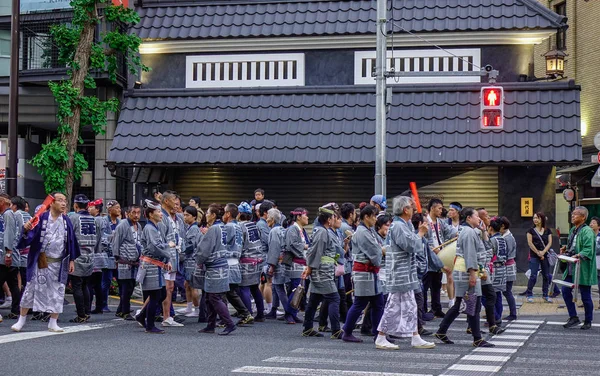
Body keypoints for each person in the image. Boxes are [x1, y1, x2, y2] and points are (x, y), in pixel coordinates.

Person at [10, 192, 79, 333]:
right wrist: (26, 228)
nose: (64, 203)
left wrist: (71, 260)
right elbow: (27, 237)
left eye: (65, 201)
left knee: (58, 292)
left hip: (59, 263)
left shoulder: (66, 221)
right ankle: (21, 320)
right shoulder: (41, 218)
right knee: (30, 289)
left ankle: (53, 322)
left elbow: (72, 242)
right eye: (60, 200)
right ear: (51, 202)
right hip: (40, 262)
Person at [375, 196, 435, 350]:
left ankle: (415, 336)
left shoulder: (404, 224)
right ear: (405, 209)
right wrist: (420, 233)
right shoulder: (398, 226)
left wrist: (421, 233)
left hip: (405, 273)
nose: (414, 208)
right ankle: (381, 336)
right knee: (394, 306)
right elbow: (410, 245)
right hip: (399, 273)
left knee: (410, 305)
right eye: (411, 205)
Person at [435, 207, 494, 348]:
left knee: (465, 304)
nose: (479, 218)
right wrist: (472, 273)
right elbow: (470, 254)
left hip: (467, 270)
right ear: (468, 218)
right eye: (476, 216)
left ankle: (442, 331)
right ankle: (477, 338)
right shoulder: (468, 232)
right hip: (466, 271)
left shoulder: (469, 231)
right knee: (472, 303)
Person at [342, 205, 384, 343]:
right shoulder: (362, 232)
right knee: (360, 303)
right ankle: (347, 331)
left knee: (377, 303)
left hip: (369, 273)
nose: (375, 219)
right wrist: (382, 252)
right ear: (366, 217)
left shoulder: (367, 230)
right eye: (374, 216)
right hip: (364, 273)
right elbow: (375, 251)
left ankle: (378, 333)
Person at [301, 205, 342, 339]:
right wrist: (310, 268)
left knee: (314, 299)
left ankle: (307, 328)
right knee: (334, 298)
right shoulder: (322, 232)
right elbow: (315, 252)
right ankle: (336, 330)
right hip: (322, 270)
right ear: (328, 220)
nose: (334, 219)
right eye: (333, 217)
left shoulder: (322, 231)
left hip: (321, 269)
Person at [196, 204, 236, 335]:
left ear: (213, 215)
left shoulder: (213, 229)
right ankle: (210, 324)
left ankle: (229, 323)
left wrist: (198, 261)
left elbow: (204, 249)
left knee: (214, 297)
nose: (206, 215)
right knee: (210, 297)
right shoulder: (223, 227)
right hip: (222, 264)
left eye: (208, 213)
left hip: (214, 266)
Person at [136, 200, 172, 334]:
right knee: (156, 294)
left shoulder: (154, 227)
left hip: (155, 264)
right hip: (151, 265)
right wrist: (168, 252)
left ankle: (142, 316)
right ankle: (149, 325)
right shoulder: (150, 228)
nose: (161, 214)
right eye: (158, 211)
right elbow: (154, 247)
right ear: (151, 214)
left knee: (160, 293)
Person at [561, 206, 597, 330]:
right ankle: (573, 317)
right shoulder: (573, 230)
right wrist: (565, 249)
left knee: (585, 295)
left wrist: (579, 254)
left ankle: (588, 320)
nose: (573, 216)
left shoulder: (587, 231)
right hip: (571, 266)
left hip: (582, 268)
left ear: (583, 217)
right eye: (572, 214)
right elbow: (571, 245)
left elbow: (588, 249)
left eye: (576, 214)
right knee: (565, 291)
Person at [424, 198, 457, 318]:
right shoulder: (425, 221)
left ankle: (436, 308)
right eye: (439, 208)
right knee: (425, 284)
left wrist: (458, 233)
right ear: (432, 208)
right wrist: (432, 248)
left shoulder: (441, 222)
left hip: (439, 256)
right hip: (428, 256)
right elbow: (422, 239)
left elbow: (449, 232)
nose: (441, 210)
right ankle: (423, 309)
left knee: (436, 284)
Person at [68, 194, 98, 323]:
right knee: (86, 285)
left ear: (75, 205)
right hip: (90, 255)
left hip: (78, 255)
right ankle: (86, 311)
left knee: (77, 285)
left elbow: (69, 237)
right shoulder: (93, 219)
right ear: (87, 206)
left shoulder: (73, 217)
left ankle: (81, 314)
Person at [223, 203, 254, 325]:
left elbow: (223, 243)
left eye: (225, 212)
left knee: (225, 293)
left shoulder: (229, 226)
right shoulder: (238, 226)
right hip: (236, 261)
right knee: (231, 293)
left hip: (228, 261)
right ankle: (245, 314)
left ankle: (228, 318)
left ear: (228, 214)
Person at [159, 191, 186, 327]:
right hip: (166, 256)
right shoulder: (162, 216)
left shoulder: (176, 218)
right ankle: (166, 316)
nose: (176, 205)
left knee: (169, 287)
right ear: (166, 202)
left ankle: (167, 316)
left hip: (174, 254)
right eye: (174, 202)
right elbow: (161, 238)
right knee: (165, 287)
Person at [112, 204, 142, 320]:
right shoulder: (122, 225)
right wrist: (116, 258)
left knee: (130, 287)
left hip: (135, 261)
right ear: (127, 213)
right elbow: (116, 243)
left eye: (138, 213)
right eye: (133, 212)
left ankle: (120, 309)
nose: (136, 215)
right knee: (126, 287)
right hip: (124, 261)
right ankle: (125, 311)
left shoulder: (138, 225)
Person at [237, 202, 266, 321]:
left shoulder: (240, 227)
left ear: (239, 214)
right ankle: (260, 313)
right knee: (255, 287)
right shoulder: (255, 225)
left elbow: (239, 245)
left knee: (244, 288)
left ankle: (247, 314)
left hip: (246, 260)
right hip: (258, 260)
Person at [266, 208, 295, 323]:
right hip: (286, 262)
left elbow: (274, 249)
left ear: (272, 220)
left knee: (278, 287)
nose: (266, 218)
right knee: (278, 287)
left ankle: (289, 312)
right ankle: (275, 309)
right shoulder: (283, 230)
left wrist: (271, 266)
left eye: (268, 216)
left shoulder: (274, 231)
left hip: (278, 262)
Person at [284, 207, 310, 323]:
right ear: (299, 217)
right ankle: (289, 313)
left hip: (303, 263)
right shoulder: (292, 229)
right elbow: (291, 245)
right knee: (296, 289)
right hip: (296, 262)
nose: (308, 217)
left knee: (299, 289)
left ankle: (293, 312)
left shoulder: (301, 229)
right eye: (305, 215)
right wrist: (305, 246)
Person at [95, 199, 120, 313]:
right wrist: (112, 237)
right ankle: (103, 304)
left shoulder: (120, 222)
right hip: (107, 254)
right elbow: (103, 238)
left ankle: (123, 306)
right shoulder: (104, 221)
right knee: (107, 280)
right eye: (117, 208)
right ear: (110, 209)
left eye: (119, 208)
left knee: (121, 280)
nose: (119, 210)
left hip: (119, 255)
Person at [177, 205, 202, 318]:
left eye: (187, 215)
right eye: (184, 214)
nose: (185, 217)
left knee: (192, 286)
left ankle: (196, 309)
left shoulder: (194, 229)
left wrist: (180, 249)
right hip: (188, 260)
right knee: (187, 284)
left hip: (192, 260)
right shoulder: (189, 227)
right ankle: (189, 307)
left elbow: (190, 246)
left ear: (194, 217)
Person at [1, 194, 23, 320]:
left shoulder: (8, 214)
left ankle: (16, 309)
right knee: (13, 283)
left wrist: (8, 253)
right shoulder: (13, 215)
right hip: (12, 254)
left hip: (7, 256)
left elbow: (9, 234)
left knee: (11, 282)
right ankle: (15, 310)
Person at [524, 212, 553, 303]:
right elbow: (530, 243)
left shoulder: (547, 230)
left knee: (546, 275)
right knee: (533, 275)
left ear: (542, 219)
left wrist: (543, 252)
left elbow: (549, 243)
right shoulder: (530, 230)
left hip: (545, 255)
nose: (535, 220)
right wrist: (538, 253)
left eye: (537, 218)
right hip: (534, 255)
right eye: (534, 218)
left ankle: (545, 295)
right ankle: (529, 294)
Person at [500, 216, 518, 321]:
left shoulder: (508, 238)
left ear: (503, 226)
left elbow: (507, 253)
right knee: (506, 291)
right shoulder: (507, 236)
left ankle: (513, 313)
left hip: (508, 266)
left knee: (507, 291)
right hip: (508, 266)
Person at [591, 217, 600, 310]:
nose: (591, 224)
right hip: (591, 262)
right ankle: (587, 300)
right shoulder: (589, 235)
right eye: (591, 222)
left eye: (594, 223)